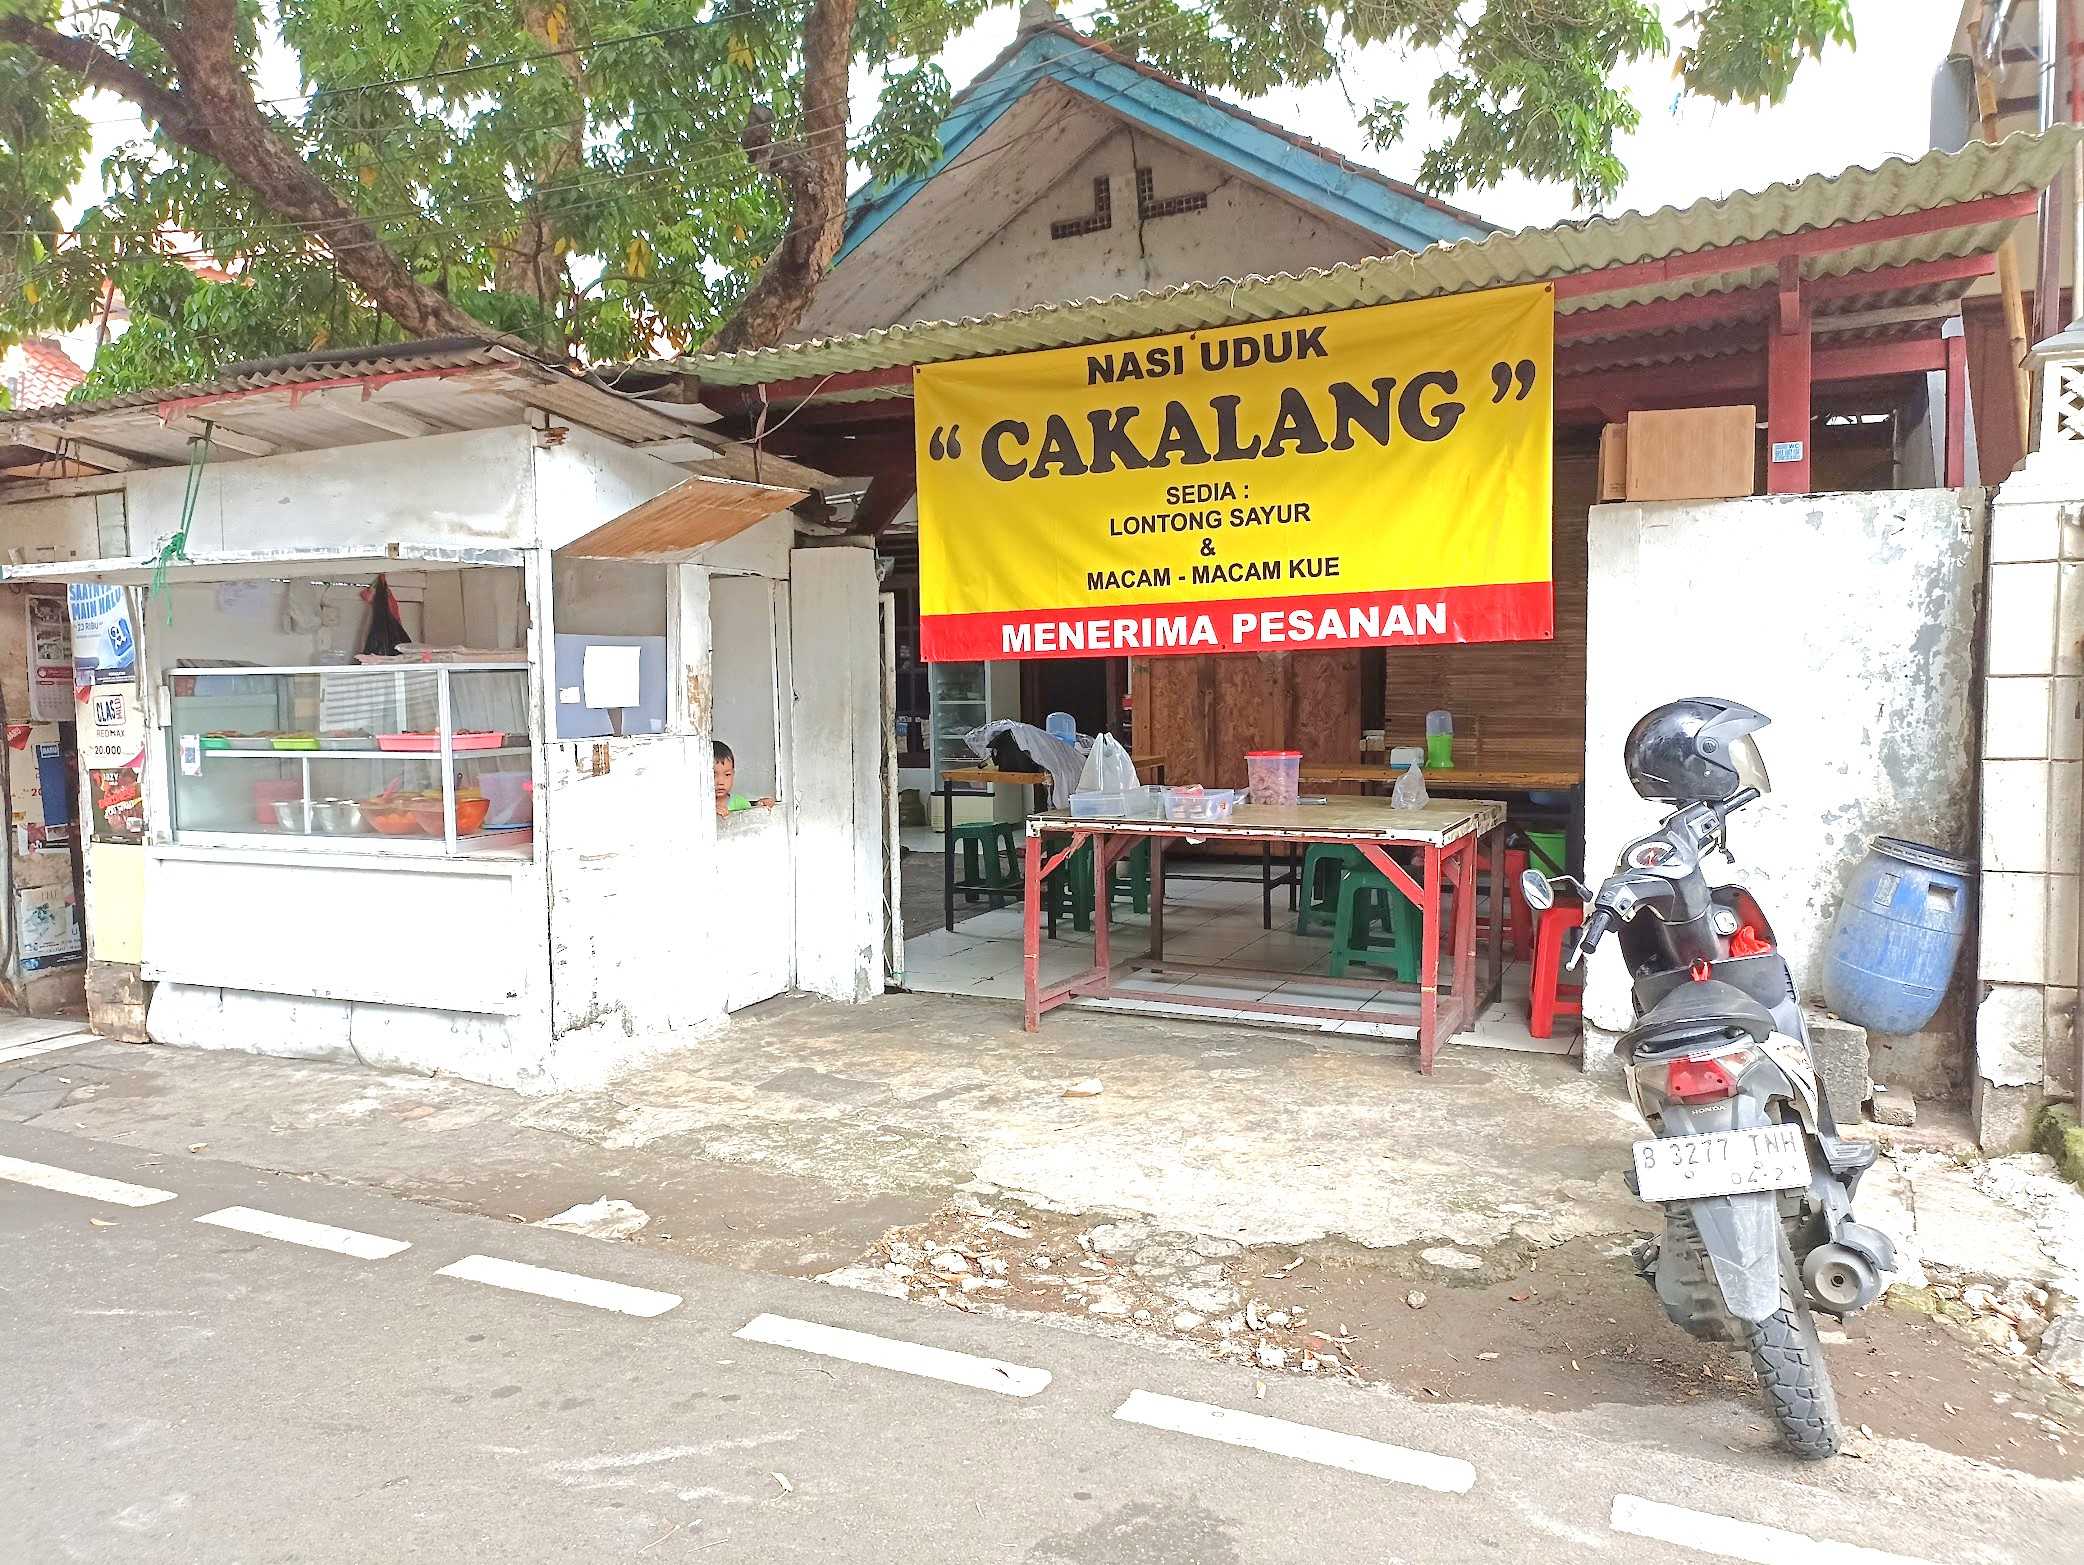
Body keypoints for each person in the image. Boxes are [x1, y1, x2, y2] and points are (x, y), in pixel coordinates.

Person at [713, 740, 776, 818]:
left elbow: (752, 820)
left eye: (727, 774)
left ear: (733, 774)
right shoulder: (698, 807)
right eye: (713, 775)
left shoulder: (740, 803)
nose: (721, 782)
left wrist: (760, 807)